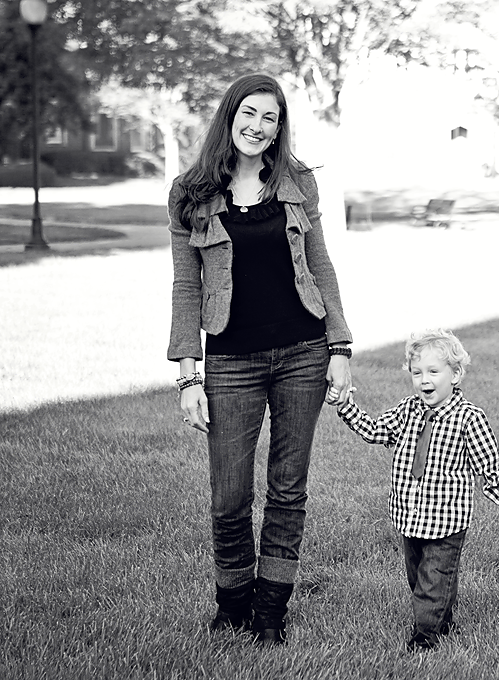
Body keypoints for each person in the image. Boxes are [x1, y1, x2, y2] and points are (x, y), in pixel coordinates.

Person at [167, 73, 354, 646]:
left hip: (304, 351)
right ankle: (232, 603)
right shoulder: (190, 192)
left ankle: (271, 608)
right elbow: (186, 286)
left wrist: (340, 347)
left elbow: (319, 264)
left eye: (270, 117)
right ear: (230, 116)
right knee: (229, 496)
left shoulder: (297, 182)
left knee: (288, 489)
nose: (257, 125)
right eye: (249, 113)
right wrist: (188, 376)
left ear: (279, 128)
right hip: (231, 360)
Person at [327, 329, 499, 651]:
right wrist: (347, 406)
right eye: (417, 373)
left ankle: (425, 636)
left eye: (433, 371)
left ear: (455, 375)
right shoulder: (408, 410)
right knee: (420, 578)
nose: (423, 380)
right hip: (410, 517)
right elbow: (376, 430)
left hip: (447, 522)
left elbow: (489, 471)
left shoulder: (470, 419)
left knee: (434, 579)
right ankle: (443, 621)